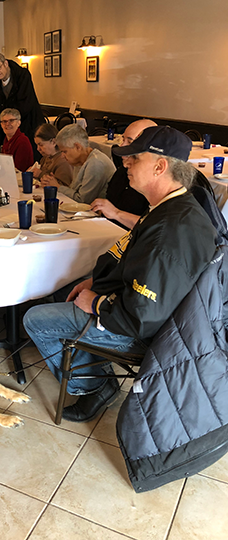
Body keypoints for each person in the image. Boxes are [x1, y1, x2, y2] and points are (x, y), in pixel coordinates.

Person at [23, 126, 217, 423]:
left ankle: (93, 386)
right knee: (65, 290)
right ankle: (97, 375)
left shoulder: (171, 230)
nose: (125, 164)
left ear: (160, 166)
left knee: (34, 319)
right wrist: (95, 283)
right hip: (132, 305)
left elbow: (144, 315)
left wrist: (97, 303)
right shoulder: (169, 207)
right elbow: (132, 263)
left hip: (145, 332)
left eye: (134, 158)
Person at [91, 119, 157, 228]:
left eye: (130, 142)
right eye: (123, 139)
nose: (122, 146)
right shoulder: (122, 171)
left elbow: (154, 228)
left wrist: (116, 213)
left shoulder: (155, 184)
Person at [0, 53, 44, 151]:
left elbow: (25, 104)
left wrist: (1, 119)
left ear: (6, 64)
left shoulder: (22, 75)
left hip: (28, 123)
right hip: (8, 128)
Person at [42, 124, 115, 203]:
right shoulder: (79, 161)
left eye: (64, 151)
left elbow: (83, 201)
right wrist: (56, 183)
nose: (62, 156)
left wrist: (58, 187)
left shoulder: (96, 163)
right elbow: (73, 190)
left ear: (78, 147)